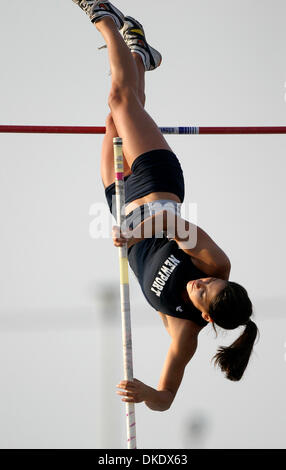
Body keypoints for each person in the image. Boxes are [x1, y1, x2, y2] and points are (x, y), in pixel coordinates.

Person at [73, 0, 259, 411]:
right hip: (157, 182)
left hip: (120, 205)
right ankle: (103, 16)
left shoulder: (184, 333)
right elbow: (176, 226)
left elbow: (167, 398)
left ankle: (140, 52)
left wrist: (147, 394)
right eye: (211, 284)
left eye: (204, 292)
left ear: (206, 317)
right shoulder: (217, 264)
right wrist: (134, 234)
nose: (203, 283)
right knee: (121, 100)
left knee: (114, 118)